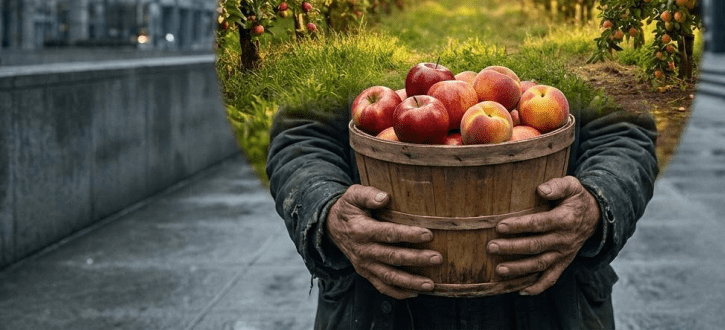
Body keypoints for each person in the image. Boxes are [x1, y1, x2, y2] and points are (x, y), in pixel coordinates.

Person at [266, 95, 659, 330]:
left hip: (550, 303)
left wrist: (596, 199)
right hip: (378, 307)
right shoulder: (354, 12)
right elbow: (301, 132)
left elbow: (622, 127)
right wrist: (328, 210)